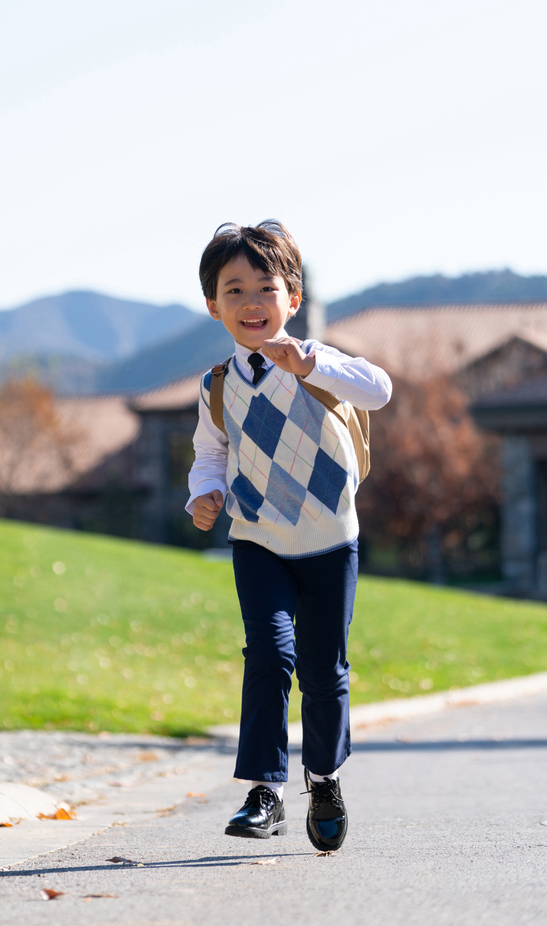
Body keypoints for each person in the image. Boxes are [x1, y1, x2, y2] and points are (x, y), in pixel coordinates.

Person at [187, 220, 391, 851]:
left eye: (266, 288)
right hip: (258, 540)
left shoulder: (319, 361)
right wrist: (203, 493)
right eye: (234, 289)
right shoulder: (216, 384)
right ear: (213, 305)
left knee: (324, 669)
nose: (252, 302)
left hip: (331, 540)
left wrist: (312, 364)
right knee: (270, 655)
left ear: (292, 300)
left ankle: (323, 778)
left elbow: (379, 391)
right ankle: (264, 790)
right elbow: (209, 452)